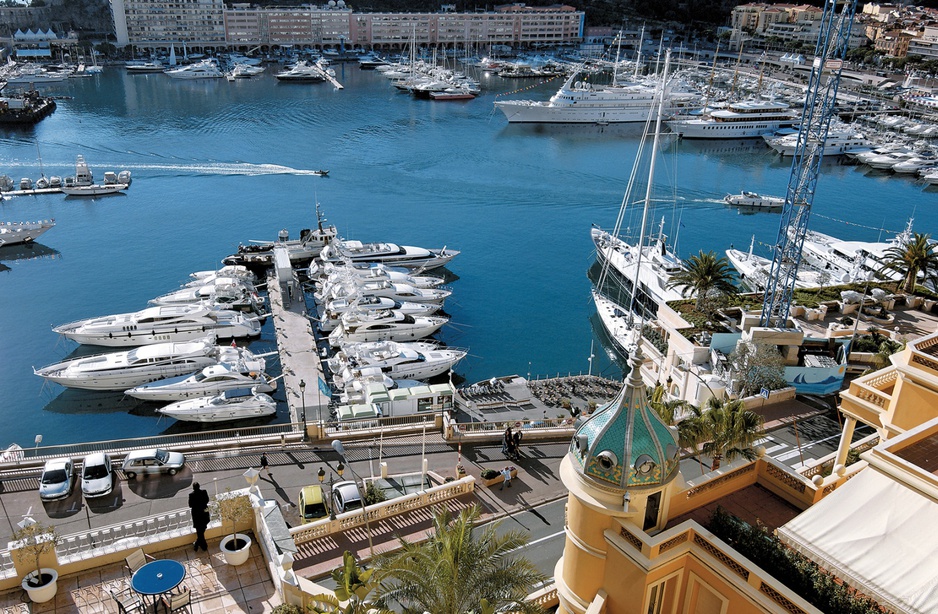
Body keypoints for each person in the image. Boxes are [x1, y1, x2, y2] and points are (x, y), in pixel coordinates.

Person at [188, 483, 210, 552]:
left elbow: (190, 505)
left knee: (199, 531)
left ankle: (198, 544)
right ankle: (202, 546)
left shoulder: (191, 495)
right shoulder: (204, 492)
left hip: (197, 515)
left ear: (193, 488)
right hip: (204, 513)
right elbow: (207, 500)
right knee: (202, 529)